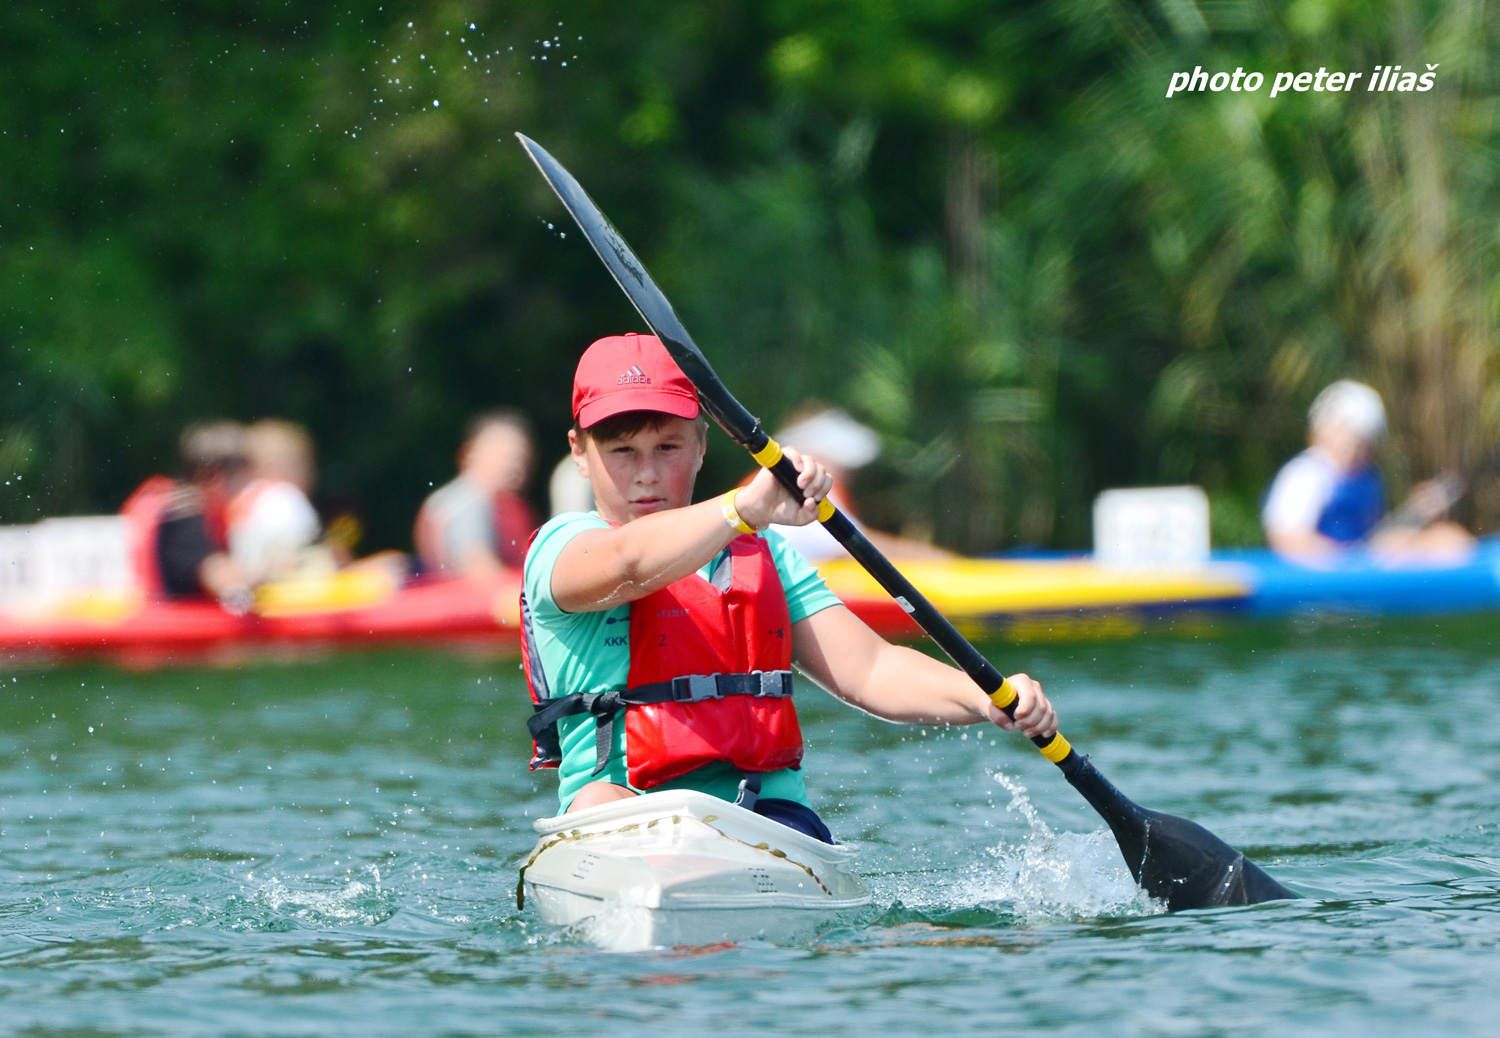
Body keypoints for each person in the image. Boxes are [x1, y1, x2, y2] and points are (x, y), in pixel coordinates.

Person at [521, 332, 1058, 842]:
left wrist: (983, 695)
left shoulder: (766, 556)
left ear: (702, 445)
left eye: (667, 447)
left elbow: (871, 668)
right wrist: (744, 508)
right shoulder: (562, 547)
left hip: (765, 823)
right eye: (622, 451)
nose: (647, 474)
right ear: (578, 451)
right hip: (626, 808)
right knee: (597, 801)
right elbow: (630, 564)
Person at [1262, 379, 1473, 560]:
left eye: (1362, 439)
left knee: (1451, 540)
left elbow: (1375, 537)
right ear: (1320, 431)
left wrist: (1417, 513)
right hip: (1329, 573)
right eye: (1344, 431)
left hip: (1360, 562)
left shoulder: (1368, 479)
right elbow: (1287, 539)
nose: (1351, 445)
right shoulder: (1305, 474)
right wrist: (1349, 562)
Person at [767, 404, 954, 563]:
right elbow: (858, 548)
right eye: (845, 468)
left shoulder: (771, 482)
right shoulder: (796, 487)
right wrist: (947, 563)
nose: (849, 476)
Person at [119, 421, 254, 610]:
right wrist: (273, 571)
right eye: (240, 474)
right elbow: (223, 580)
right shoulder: (182, 515)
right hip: (170, 632)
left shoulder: (188, 510)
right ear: (212, 475)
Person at [415, 411, 538, 578]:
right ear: (469, 454)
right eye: (505, 456)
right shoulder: (466, 503)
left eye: (520, 458)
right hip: (470, 601)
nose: (514, 467)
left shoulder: (502, 505)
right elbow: (479, 571)